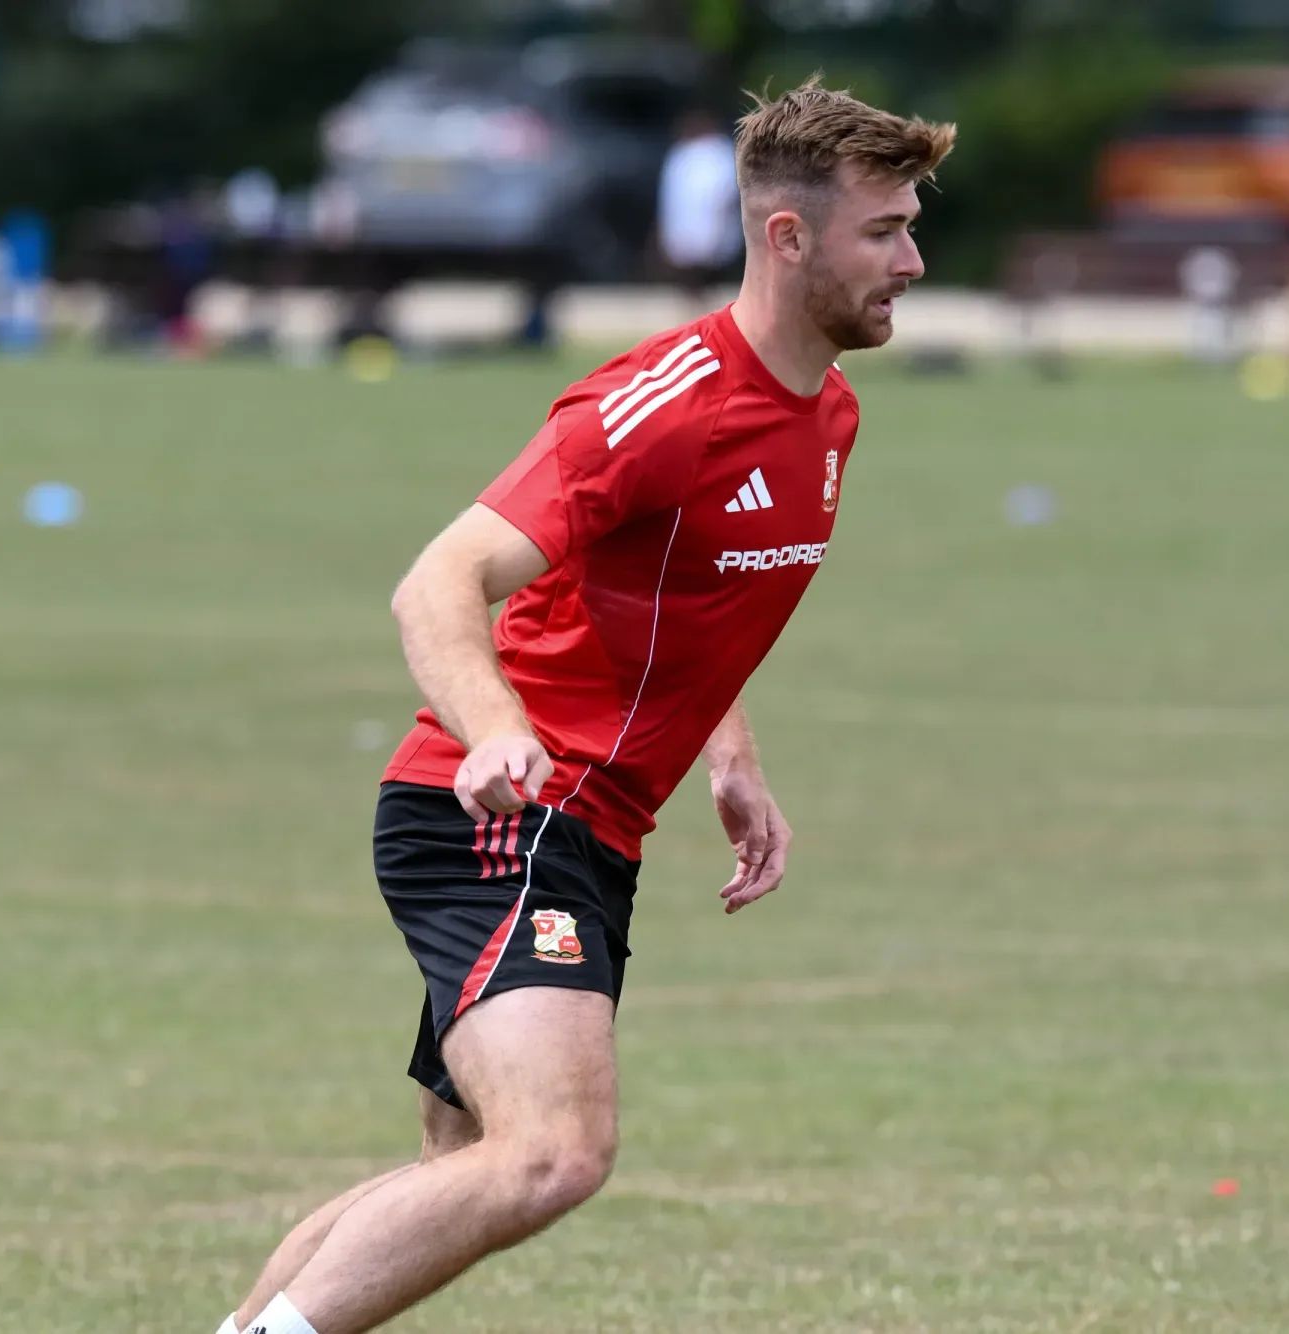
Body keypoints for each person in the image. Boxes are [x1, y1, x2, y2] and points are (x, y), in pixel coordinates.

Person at [219, 77, 955, 1334]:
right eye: (883, 231)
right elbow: (438, 580)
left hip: (592, 826)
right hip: (505, 811)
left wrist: (729, 749)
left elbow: (686, 596)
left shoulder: (827, 414)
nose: (914, 262)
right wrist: (500, 731)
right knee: (555, 1149)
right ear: (788, 237)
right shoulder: (660, 405)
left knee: (462, 1165)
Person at [657, 108, 743, 313]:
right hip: (687, 222)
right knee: (690, 265)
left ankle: (707, 301)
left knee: (709, 264)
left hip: (713, 221)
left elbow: (725, 188)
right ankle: (696, 302)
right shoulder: (682, 154)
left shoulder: (718, 152)